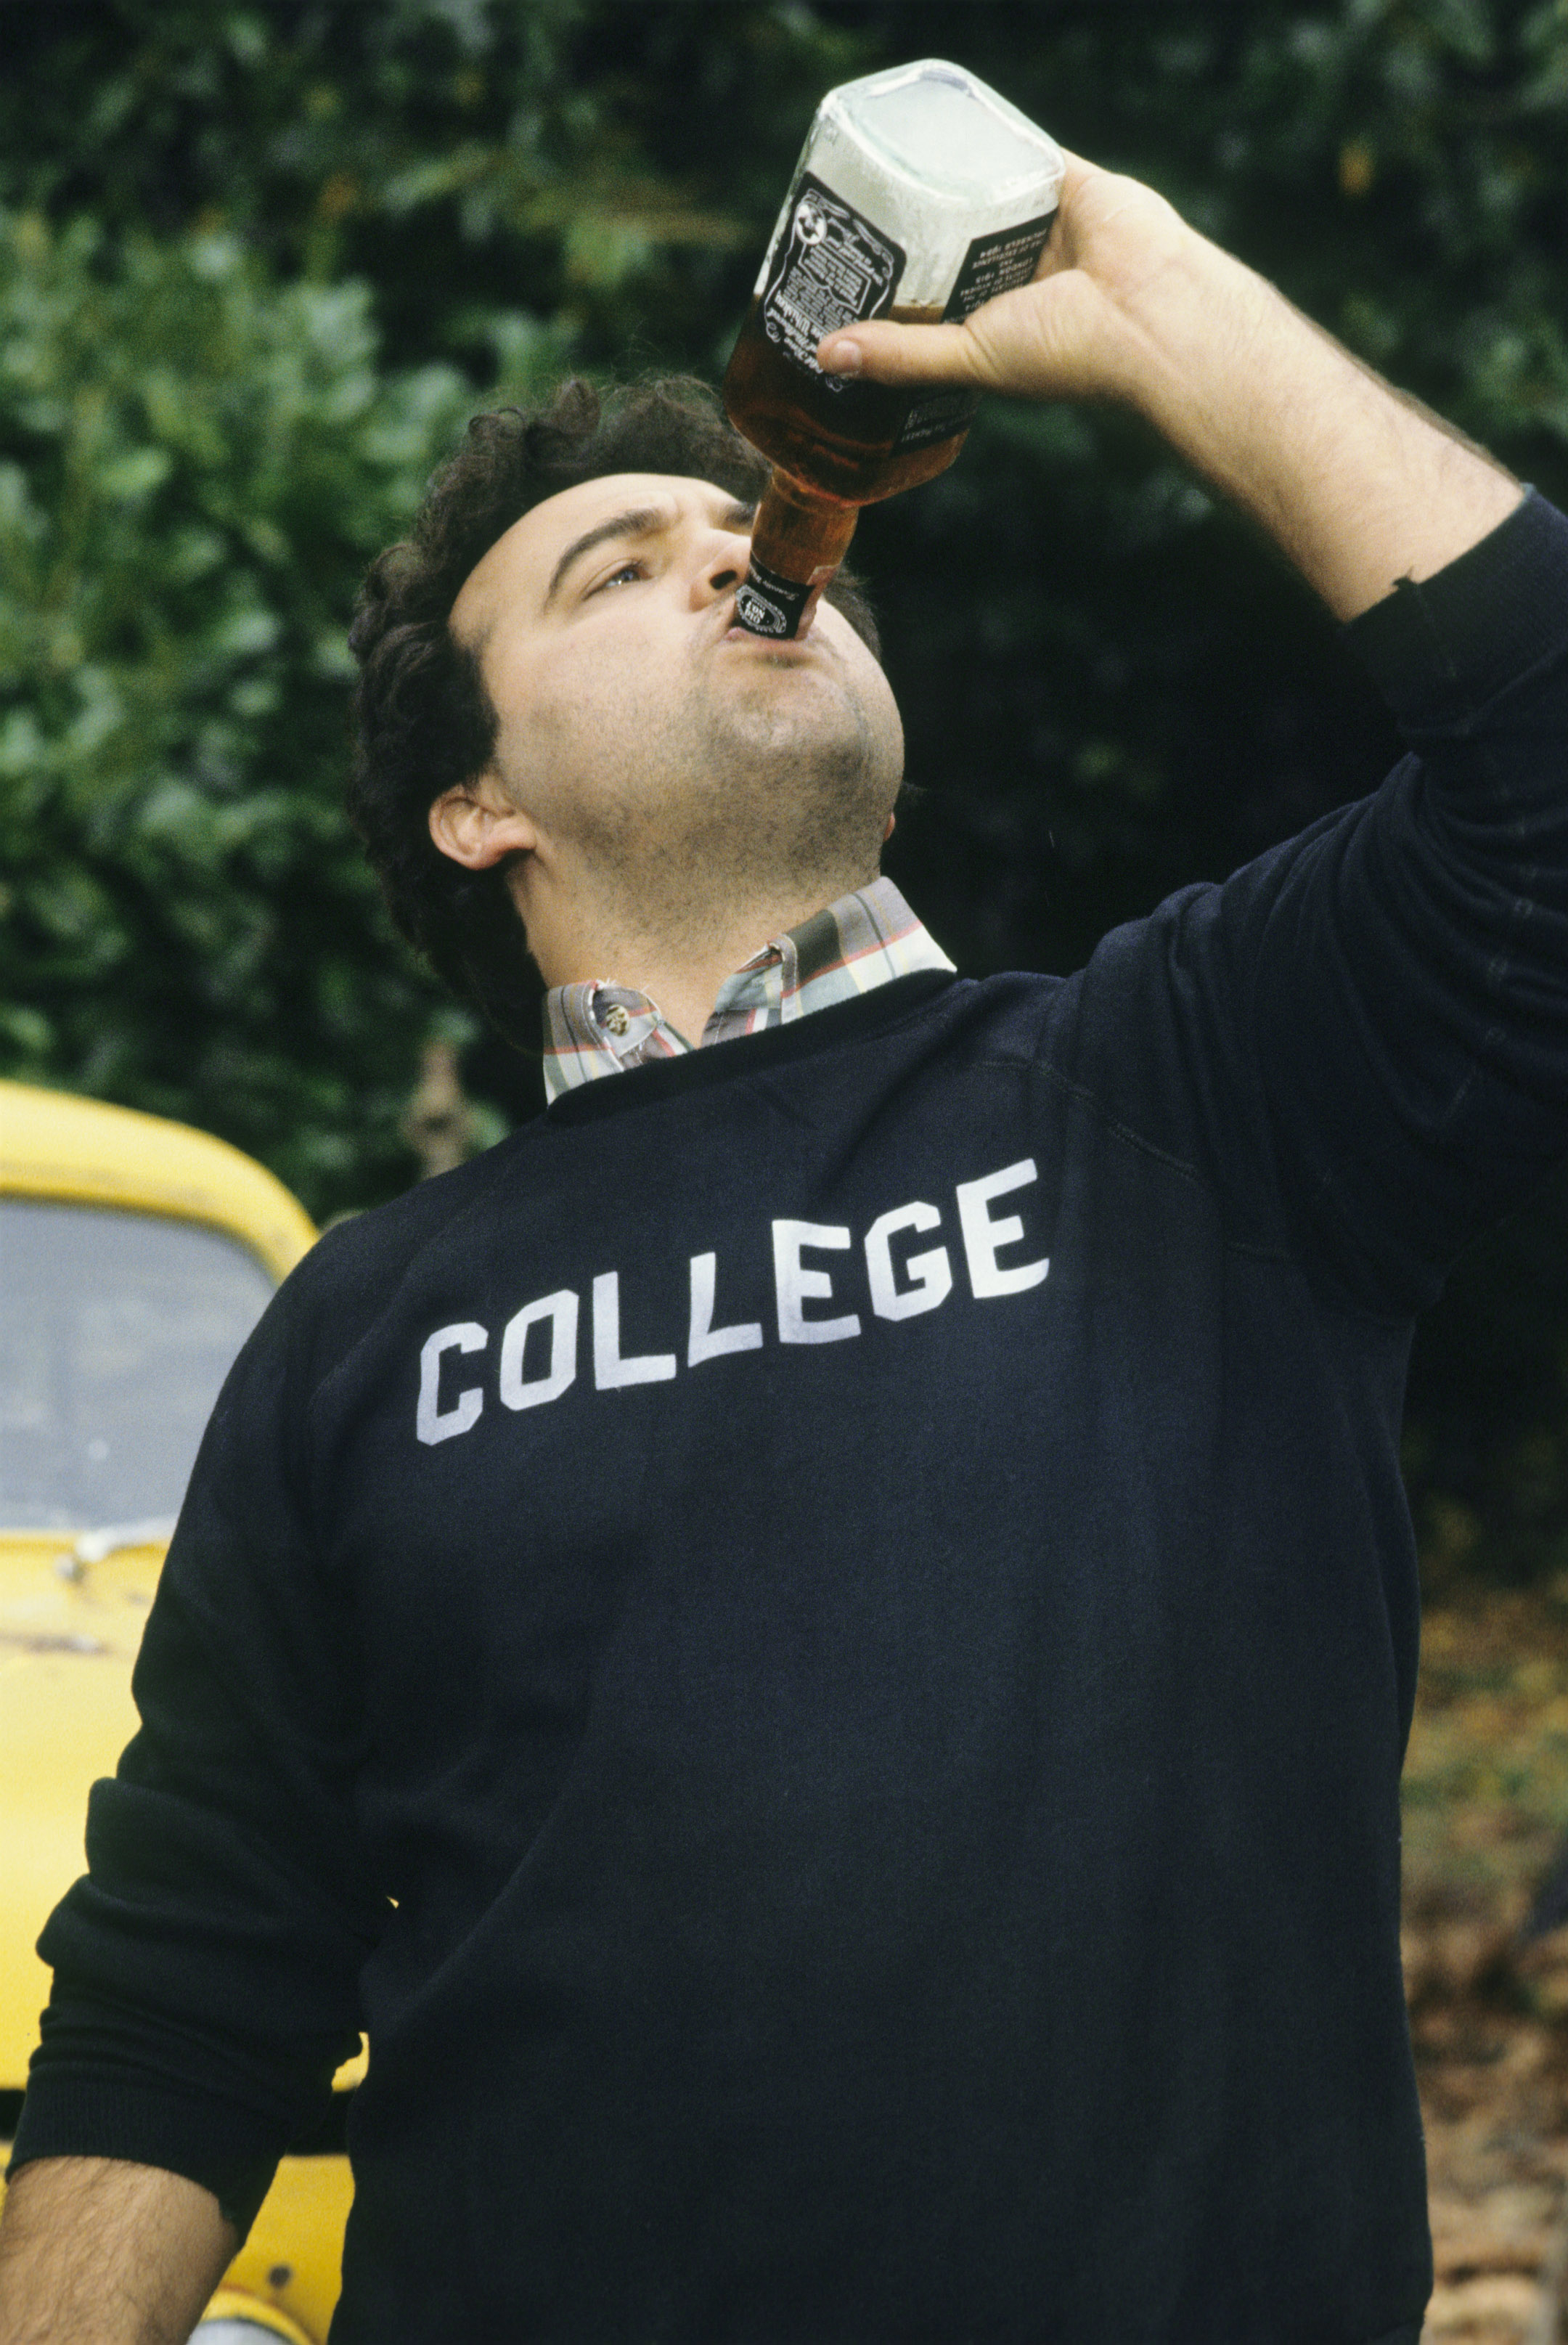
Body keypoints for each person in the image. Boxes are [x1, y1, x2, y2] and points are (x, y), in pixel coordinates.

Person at [0, 145, 1560, 2345]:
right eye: (612, 565)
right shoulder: (363, 1325)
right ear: (483, 805)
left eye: (741, 527)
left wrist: (1168, 304)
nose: (732, 547)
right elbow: (184, 1995)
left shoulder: (1192, 1088)